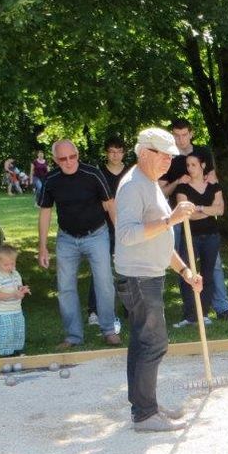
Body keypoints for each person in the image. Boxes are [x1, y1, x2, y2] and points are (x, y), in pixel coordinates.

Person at [114, 127, 201, 433]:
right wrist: (171, 219)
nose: (168, 161)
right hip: (138, 277)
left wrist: (185, 271)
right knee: (153, 343)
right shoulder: (132, 187)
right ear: (145, 153)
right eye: (163, 155)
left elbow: (160, 238)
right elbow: (126, 234)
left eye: (170, 156)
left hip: (148, 274)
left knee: (144, 342)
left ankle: (145, 406)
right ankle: (145, 413)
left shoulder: (148, 183)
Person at [37, 139, 119, 349]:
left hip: (96, 234)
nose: (69, 162)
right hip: (66, 238)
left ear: (78, 155)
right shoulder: (51, 179)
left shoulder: (92, 174)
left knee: (105, 283)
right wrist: (42, 246)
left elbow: (110, 204)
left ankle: (109, 330)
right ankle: (73, 336)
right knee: (65, 287)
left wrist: (120, 235)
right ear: (55, 160)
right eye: (63, 159)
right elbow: (45, 212)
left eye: (72, 157)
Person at [160, 118, 228, 321]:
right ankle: (191, 313)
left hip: (205, 221)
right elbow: (161, 190)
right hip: (178, 217)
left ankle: (222, 307)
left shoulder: (203, 153)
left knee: (213, 265)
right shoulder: (168, 156)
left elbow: (212, 182)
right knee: (184, 264)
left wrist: (205, 208)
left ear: (191, 133)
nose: (181, 139)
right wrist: (178, 180)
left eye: (184, 134)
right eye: (176, 135)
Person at [173, 150, 224, 328]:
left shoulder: (214, 186)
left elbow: (220, 210)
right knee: (188, 274)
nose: (190, 168)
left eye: (193, 164)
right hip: (190, 236)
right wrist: (208, 209)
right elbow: (186, 215)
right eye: (188, 165)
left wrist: (199, 208)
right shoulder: (182, 188)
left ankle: (203, 313)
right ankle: (190, 315)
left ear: (203, 165)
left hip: (211, 236)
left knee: (208, 274)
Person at [87, 136, 128, 330]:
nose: (115, 155)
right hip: (102, 227)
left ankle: (131, 307)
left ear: (124, 153)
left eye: (119, 151)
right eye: (112, 151)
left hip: (127, 225)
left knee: (129, 267)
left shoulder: (131, 172)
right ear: (106, 153)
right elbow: (100, 202)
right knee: (100, 269)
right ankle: (94, 311)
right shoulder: (98, 173)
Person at [0, 244, 30, 357]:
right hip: (3, 312)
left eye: (13, 263)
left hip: (16, 309)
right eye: (6, 264)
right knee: (6, 333)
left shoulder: (16, 274)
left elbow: (18, 288)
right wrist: (13, 294)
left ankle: (17, 352)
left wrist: (22, 290)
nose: (10, 267)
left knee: (19, 332)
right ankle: (5, 355)